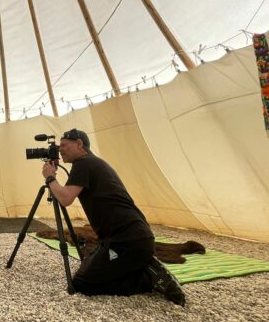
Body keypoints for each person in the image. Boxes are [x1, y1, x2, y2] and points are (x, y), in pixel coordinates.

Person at [41, 128, 185, 306]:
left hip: (127, 241)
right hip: (134, 238)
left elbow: (65, 198)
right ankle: (140, 265)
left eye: (64, 145)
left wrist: (50, 178)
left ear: (79, 144)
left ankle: (149, 278)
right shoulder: (94, 163)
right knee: (87, 265)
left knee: (82, 283)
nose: (60, 150)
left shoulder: (83, 163)